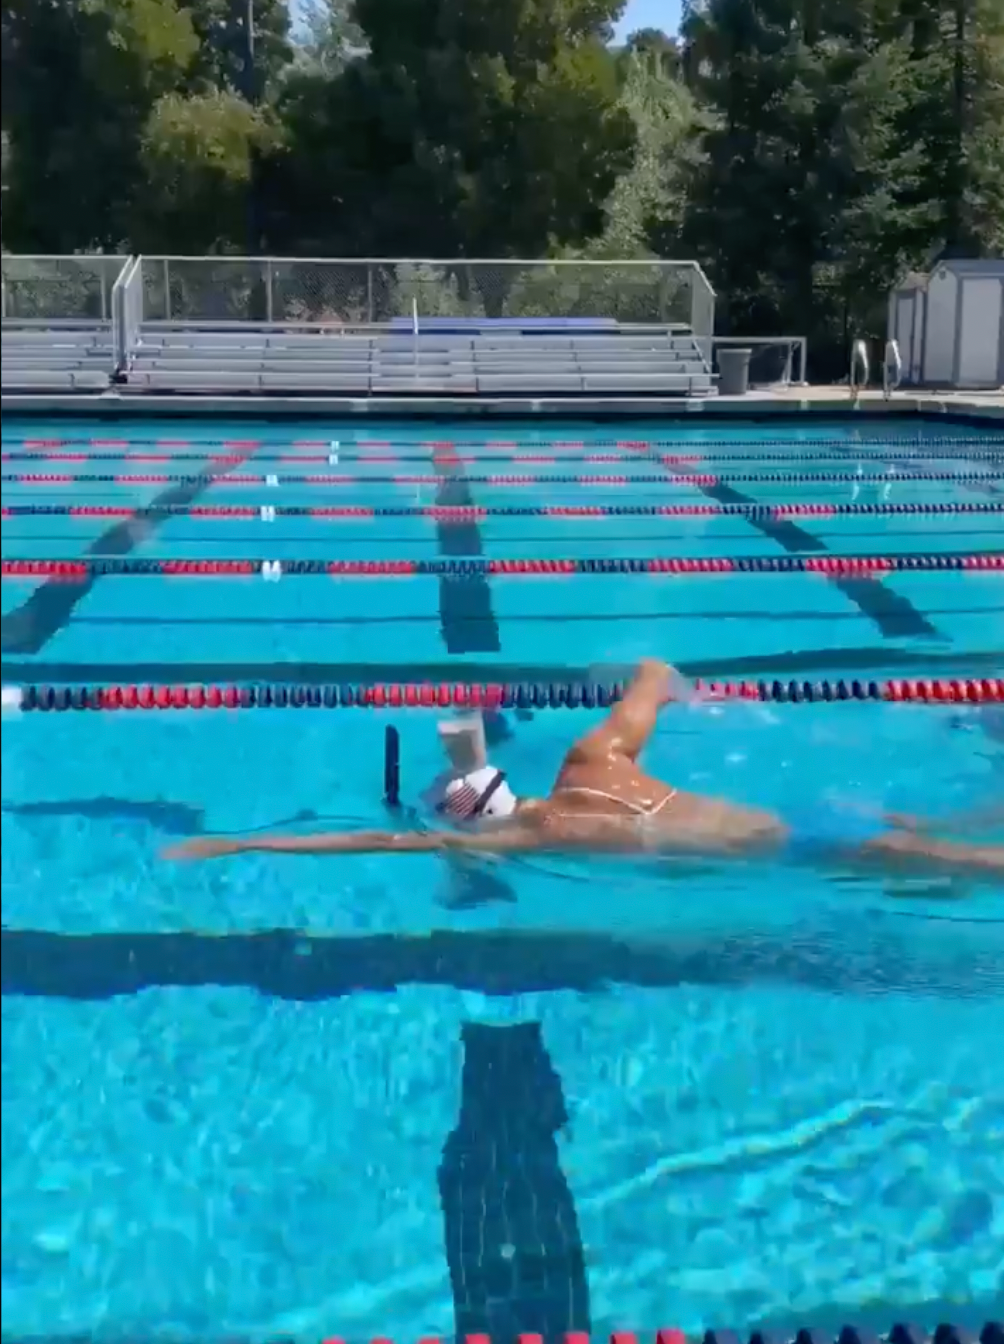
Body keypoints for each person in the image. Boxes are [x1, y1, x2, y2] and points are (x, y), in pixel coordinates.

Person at [163, 659, 1004, 882]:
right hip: (812, 809)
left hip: (798, 850)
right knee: (934, 837)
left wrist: (242, 846)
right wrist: (677, 691)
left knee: (965, 870)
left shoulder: (539, 831)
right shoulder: (591, 758)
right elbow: (653, 674)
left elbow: (379, 842)